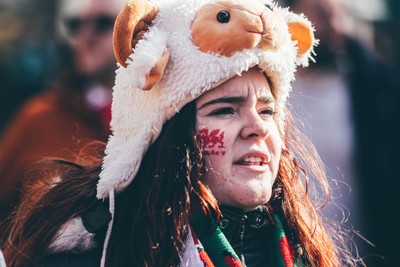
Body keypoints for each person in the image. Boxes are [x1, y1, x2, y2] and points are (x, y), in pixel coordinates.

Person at [2, 0, 361, 266]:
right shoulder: (95, 248)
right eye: (224, 110)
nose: (258, 128)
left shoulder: (303, 246)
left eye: (268, 110)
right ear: (165, 134)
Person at [278, 0, 400, 265]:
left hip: (366, 256)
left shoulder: (377, 94)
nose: (336, 27)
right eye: (322, 15)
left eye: (338, 15)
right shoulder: (267, 95)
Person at [0, 0, 127, 239]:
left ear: (139, 34)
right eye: (76, 25)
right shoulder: (39, 116)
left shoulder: (164, 121)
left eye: (102, 23)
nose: (84, 35)